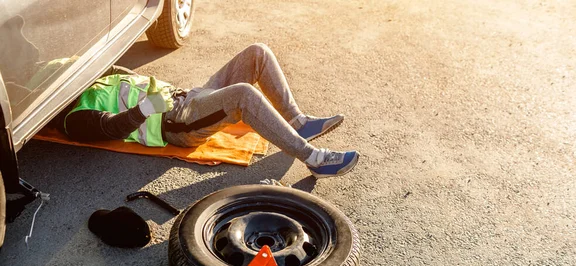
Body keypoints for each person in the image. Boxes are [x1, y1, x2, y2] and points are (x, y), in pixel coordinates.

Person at [55, 43, 359, 178]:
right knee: (243, 96)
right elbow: (111, 129)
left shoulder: (97, 77)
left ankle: (298, 123)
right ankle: (313, 158)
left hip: (189, 97)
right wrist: (147, 108)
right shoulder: (76, 117)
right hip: (177, 123)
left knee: (257, 52)